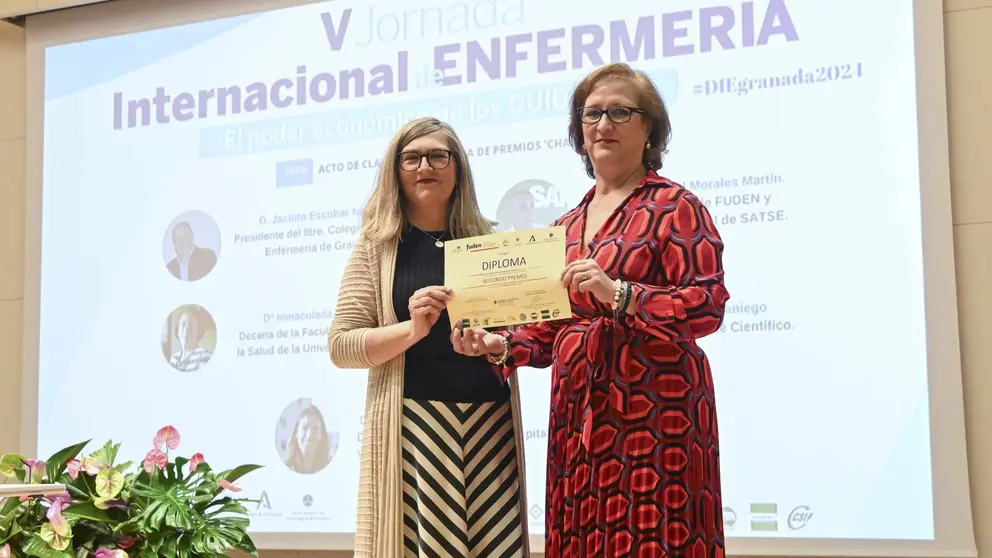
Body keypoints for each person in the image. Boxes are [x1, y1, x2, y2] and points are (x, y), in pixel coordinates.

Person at [453, 63, 730, 557]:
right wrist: (499, 344)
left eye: (620, 112)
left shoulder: (676, 206)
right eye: (592, 114)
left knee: (652, 540)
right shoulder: (563, 225)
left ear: (649, 129)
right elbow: (546, 332)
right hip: (577, 416)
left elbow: (707, 306)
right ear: (579, 133)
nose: (603, 124)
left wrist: (621, 295)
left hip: (656, 414)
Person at [328, 117, 531, 558]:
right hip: (414, 433)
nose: (425, 167)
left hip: (491, 429)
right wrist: (413, 329)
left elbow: (517, 338)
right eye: (412, 158)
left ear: (458, 168)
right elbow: (342, 346)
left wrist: (496, 343)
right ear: (396, 170)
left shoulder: (490, 243)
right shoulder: (376, 247)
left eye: (439, 156)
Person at [283, 404, 334, 475]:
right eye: (305, 428)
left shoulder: (331, 470)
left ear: (322, 435)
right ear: (296, 433)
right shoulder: (283, 470)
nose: (309, 436)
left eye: (315, 429)